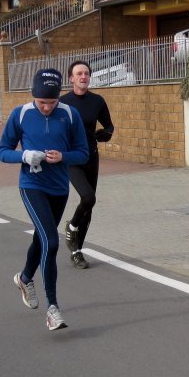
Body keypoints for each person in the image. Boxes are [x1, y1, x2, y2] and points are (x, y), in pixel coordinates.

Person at [0, 68, 88, 331]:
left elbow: (83, 152)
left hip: (59, 188)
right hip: (32, 185)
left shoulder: (70, 114)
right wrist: (24, 156)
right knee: (51, 240)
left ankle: (25, 278)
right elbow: (2, 151)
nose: (46, 108)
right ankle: (53, 308)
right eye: (41, 102)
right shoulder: (21, 114)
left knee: (41, 239)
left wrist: (63, 157)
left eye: (51, 102)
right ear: (32, 96)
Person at [59, 60, 114, 269]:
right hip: (72, 158)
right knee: (88, 197)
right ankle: (72, 225)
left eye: (86, 73)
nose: (83, 77)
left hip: (91, 156)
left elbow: (109, 126)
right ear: (71, 78)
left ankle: (77, 251)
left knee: (88, 207)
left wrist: (106, 134)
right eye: (79, 74)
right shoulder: (63, 103)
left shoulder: (97, 101)